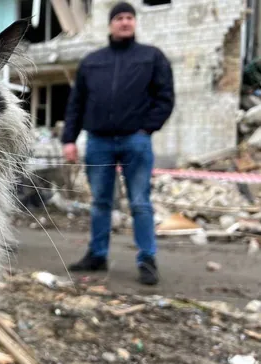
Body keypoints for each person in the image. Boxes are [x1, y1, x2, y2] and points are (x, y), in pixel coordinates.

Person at [61, 1, 174, 285]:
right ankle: (97, 255)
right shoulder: (92, 61)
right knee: (100, 202)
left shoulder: (152, 57)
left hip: (135, 141)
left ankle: (147, 259)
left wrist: (147, 129)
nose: (125, 22)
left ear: (134, 23)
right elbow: (76, 103)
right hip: (98, 141)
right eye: (119, 18)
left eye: (129, 18)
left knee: (139, 202)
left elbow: (165, 98)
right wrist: (69, 140)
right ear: (110, 24)